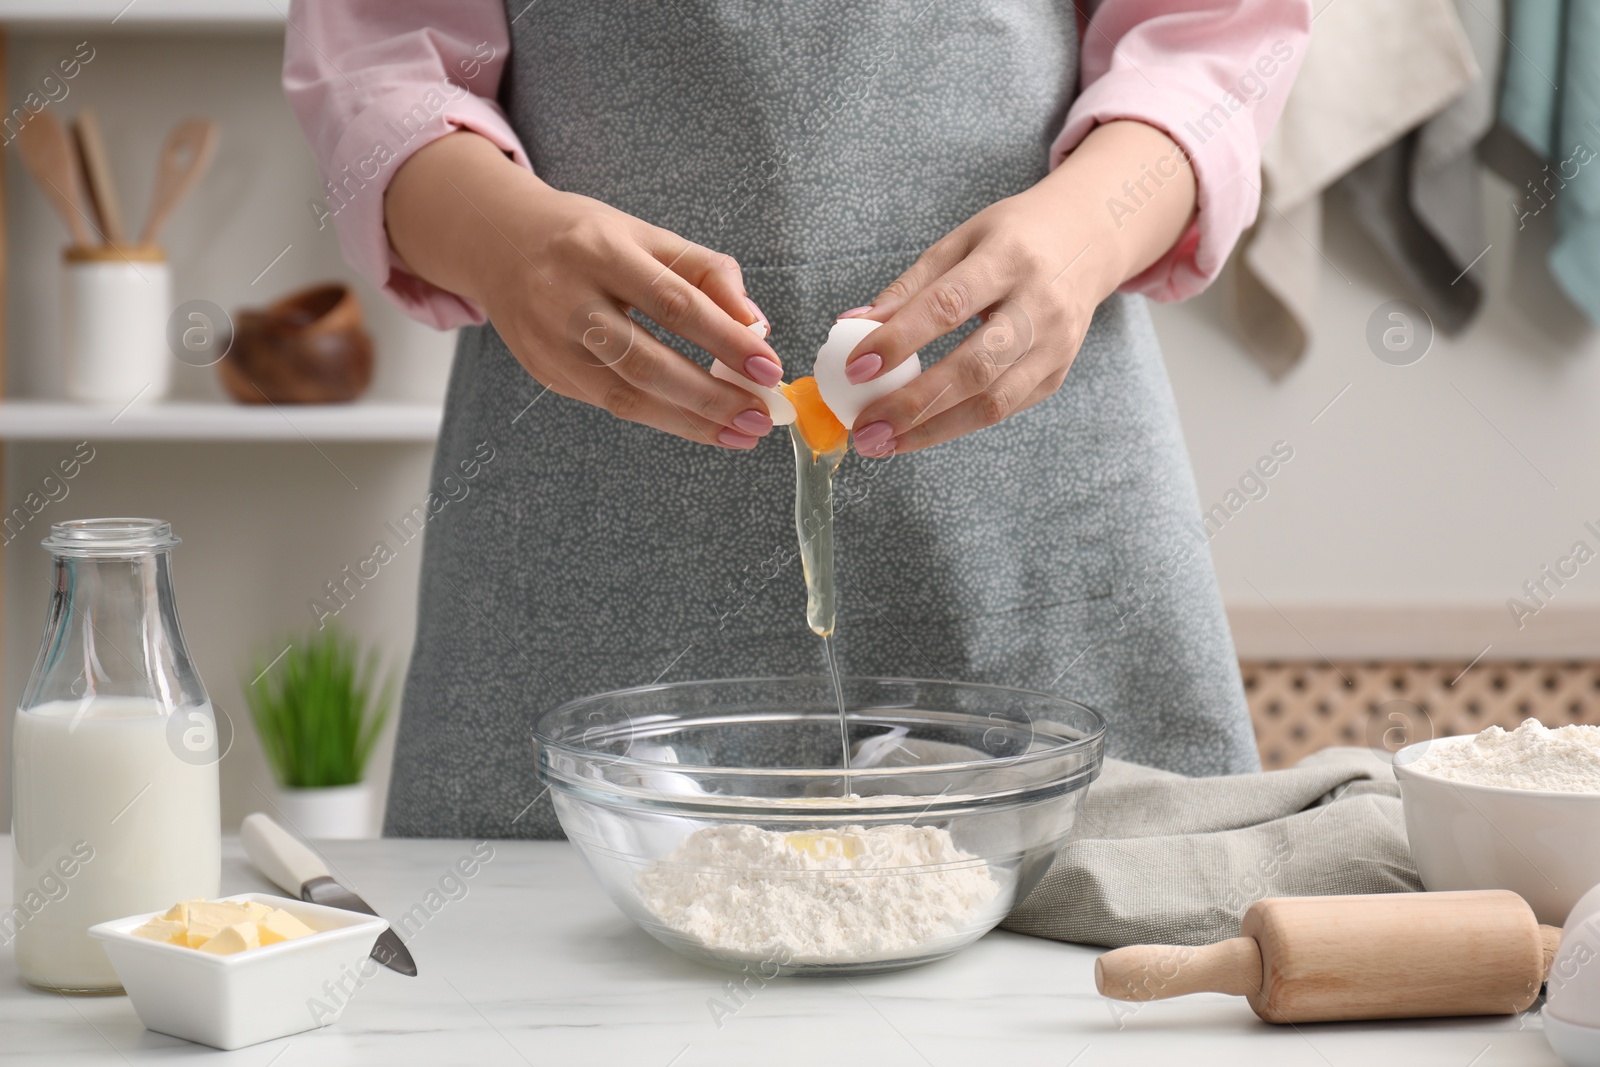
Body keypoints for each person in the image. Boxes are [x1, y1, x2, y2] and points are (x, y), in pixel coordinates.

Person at [285, 0, 1311, 839]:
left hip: (1033, 504)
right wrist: (501, 239)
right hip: (579, 509)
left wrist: (1092, 226)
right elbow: (377, 61)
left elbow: (1215, 33)